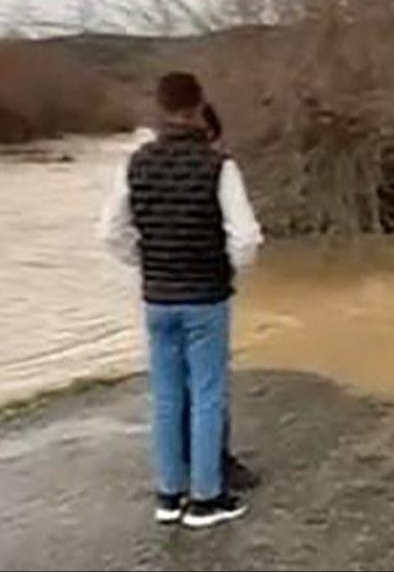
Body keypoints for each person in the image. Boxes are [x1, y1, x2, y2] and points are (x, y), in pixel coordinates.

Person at [98, 72, 263, 529]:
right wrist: (227, 269)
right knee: (208, 395)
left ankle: (168, 497)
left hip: (157, 296)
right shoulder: (219, 166)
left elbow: (110, 233)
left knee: (167, 397)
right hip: (206, 295)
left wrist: (147, 262)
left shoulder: (134, 164)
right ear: (198, 106)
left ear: (159, 107)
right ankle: (207, 499)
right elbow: (245, 237)